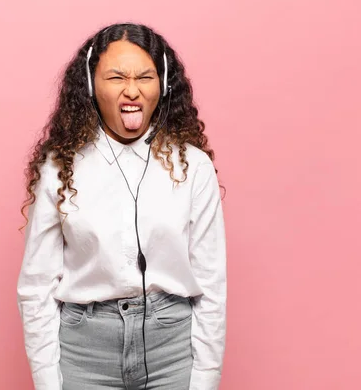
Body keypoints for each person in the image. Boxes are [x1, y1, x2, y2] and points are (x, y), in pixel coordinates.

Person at [17, 22, 227, 390]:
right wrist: (49, 381)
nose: (132, 90)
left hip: (172, 351)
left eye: (145, 77)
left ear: (162, 85)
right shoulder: (59, 167)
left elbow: (211, 283)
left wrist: (205, 377)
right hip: (85, 354)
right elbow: (36, 287)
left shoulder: (194, 166)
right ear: (90, 84)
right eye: (116, 77)